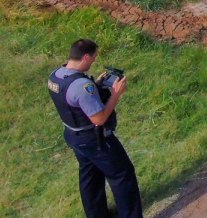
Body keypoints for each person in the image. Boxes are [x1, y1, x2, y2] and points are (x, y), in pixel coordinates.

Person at [47, 39, 143, 218]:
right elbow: (99, 119)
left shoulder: (56, 76)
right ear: (85, 57)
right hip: (95, 139)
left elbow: (72, 102)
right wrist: (115, 94)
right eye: (93, 57)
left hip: (73, 135)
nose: (94, 61)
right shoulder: (83, 87)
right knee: (122, 175)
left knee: (90, 176)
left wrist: (97, 86)